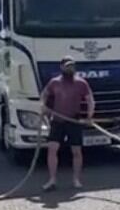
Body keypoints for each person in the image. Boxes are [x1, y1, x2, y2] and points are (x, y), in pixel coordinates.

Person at [40, 56, 95, 190]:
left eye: (72, 66)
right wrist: (43, 106)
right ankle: (52, 179)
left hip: (74, 120)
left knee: (76, 151)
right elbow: (44, 95)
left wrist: (89, 115)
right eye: (67, 66)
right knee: (52, 149)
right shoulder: (54, 82)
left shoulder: (81, 83)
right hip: (57, 121)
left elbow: (90, 100)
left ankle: (76, 180)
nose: (70, 68)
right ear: (61, 67)